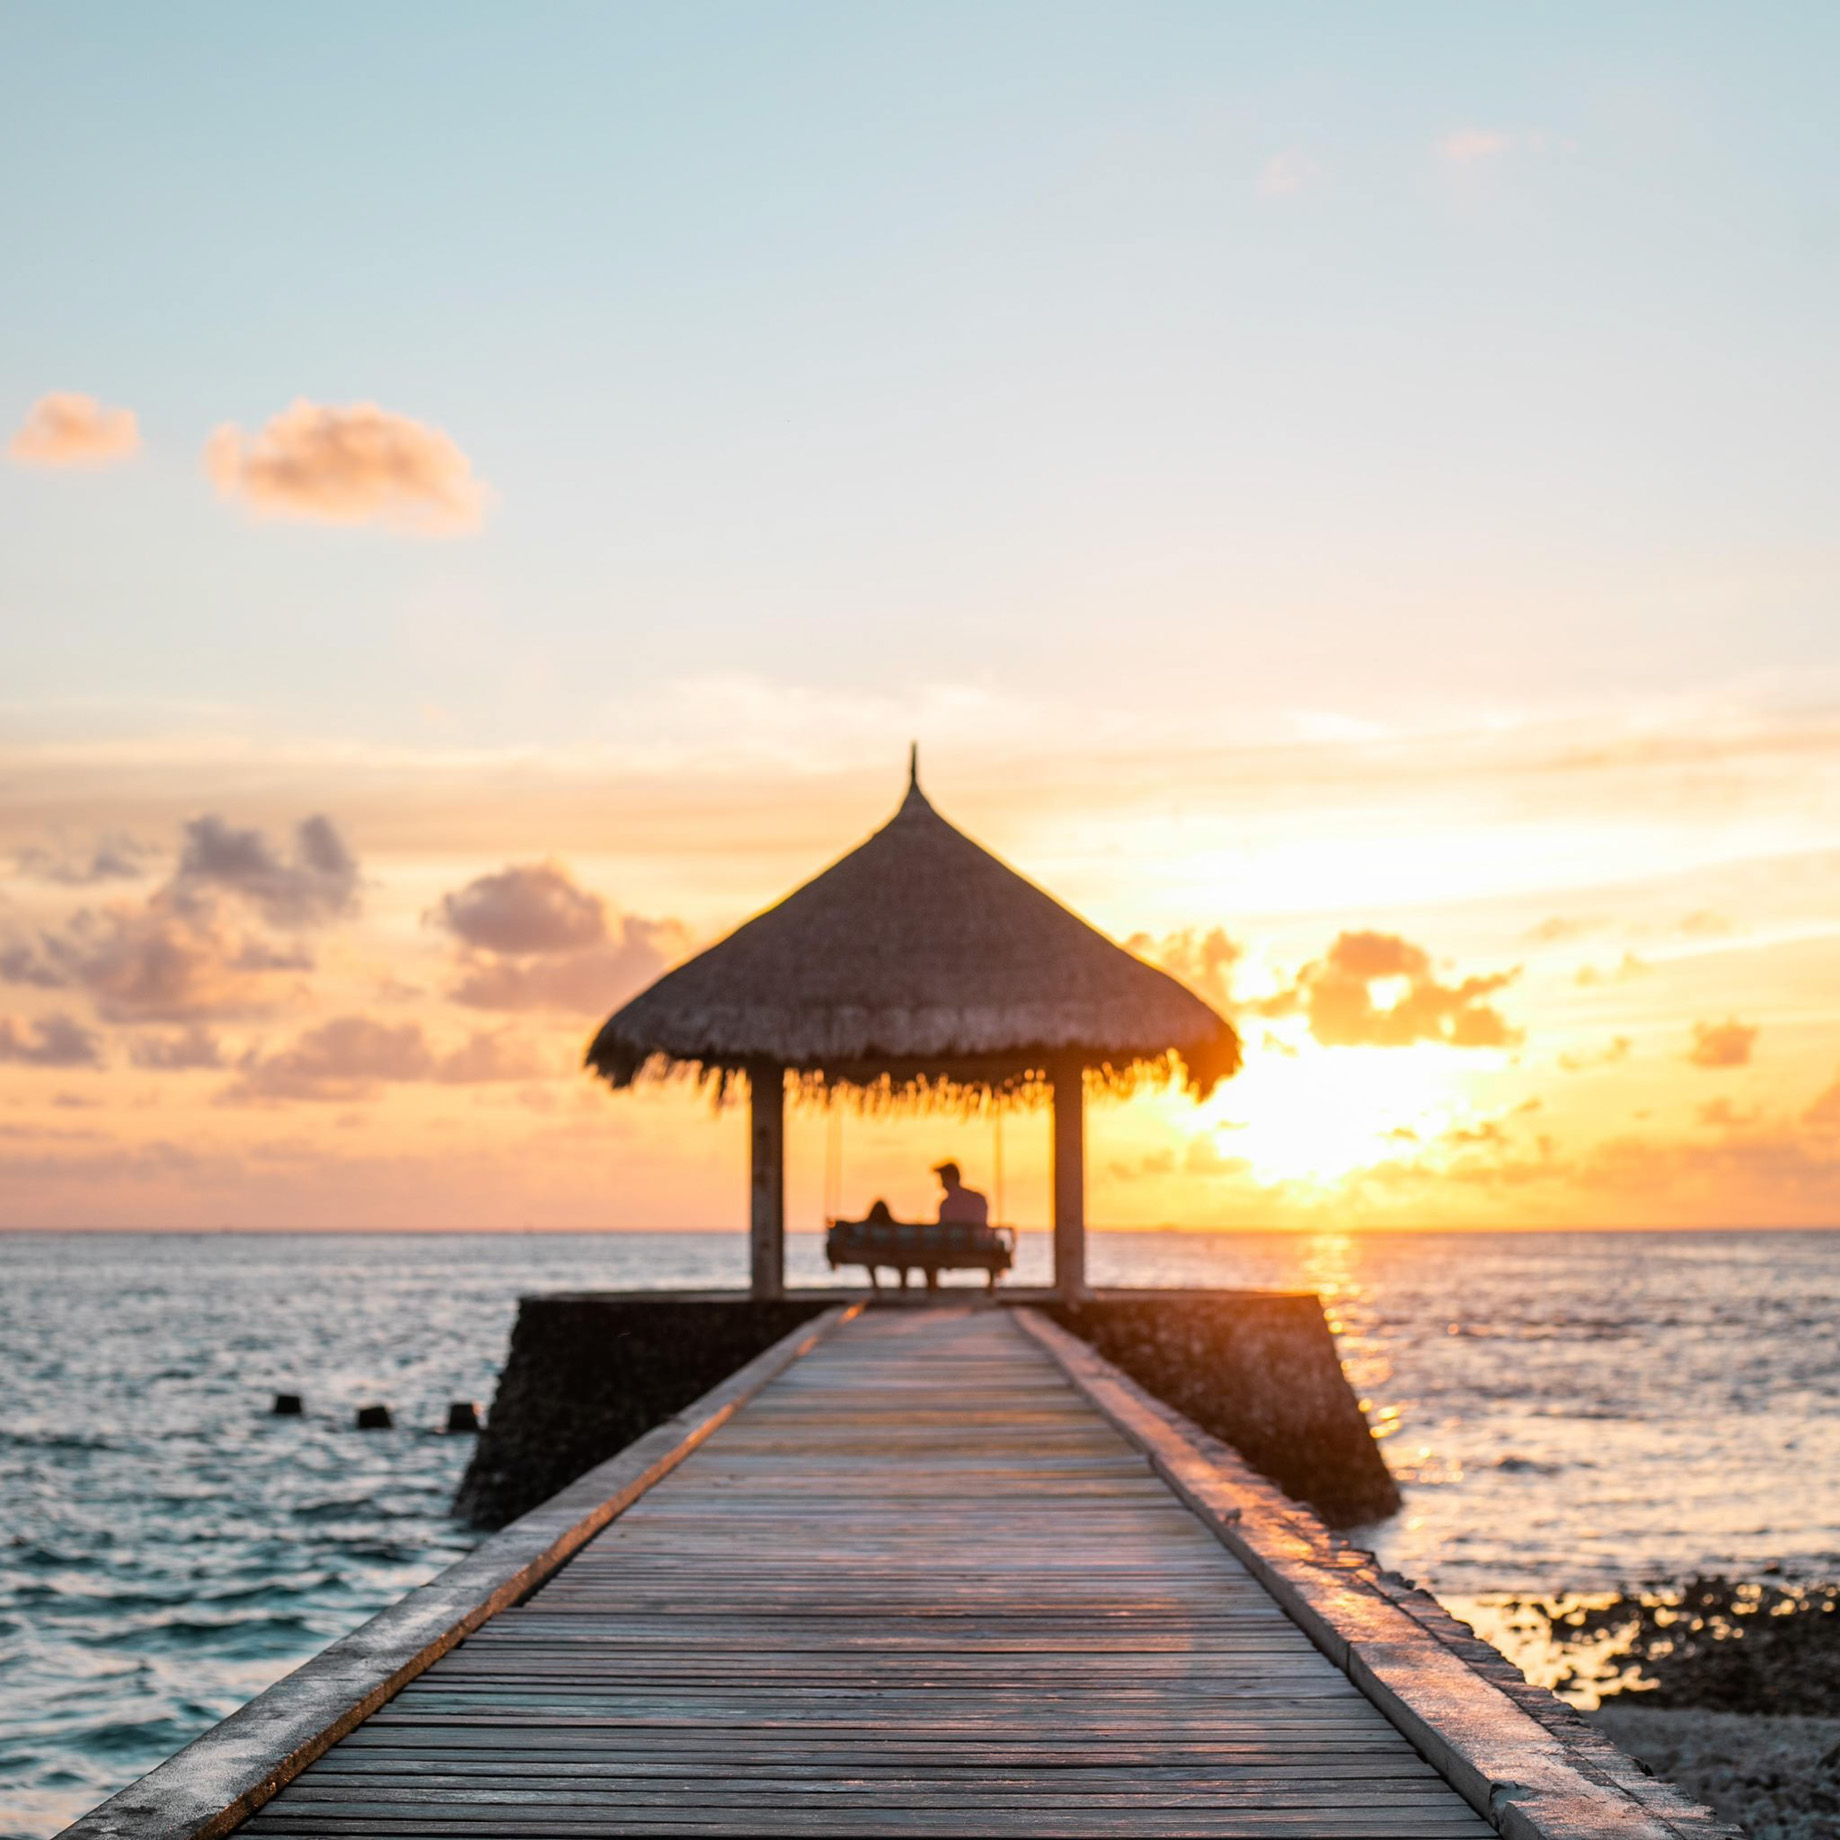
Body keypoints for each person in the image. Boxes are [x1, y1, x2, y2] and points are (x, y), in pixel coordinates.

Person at [932, 1160, 989, 1229]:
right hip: (978, 1236)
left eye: (942, 1177)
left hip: (957, 1236)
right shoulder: (979, 1198)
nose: (941, 1182)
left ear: (950, 1178)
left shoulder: (947, 1204)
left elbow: (943, 1230)